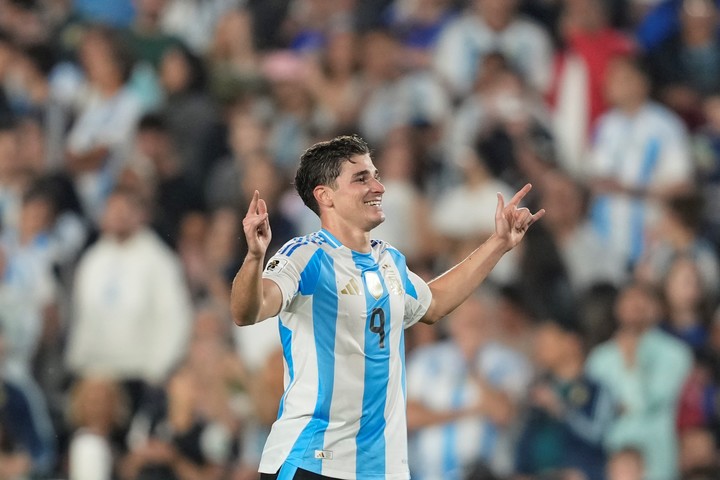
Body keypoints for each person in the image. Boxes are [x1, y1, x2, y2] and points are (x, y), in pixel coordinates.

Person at [230, 134, 544, 479]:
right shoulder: (305, 256)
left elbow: (434, 303)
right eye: (361, 178)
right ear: (325, 196)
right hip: (313, 460)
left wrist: (499, 243)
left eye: (375, 175)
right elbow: (249, 311)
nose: (379, 186)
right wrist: (254, 258)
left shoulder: (389, 261)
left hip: (382, 468)